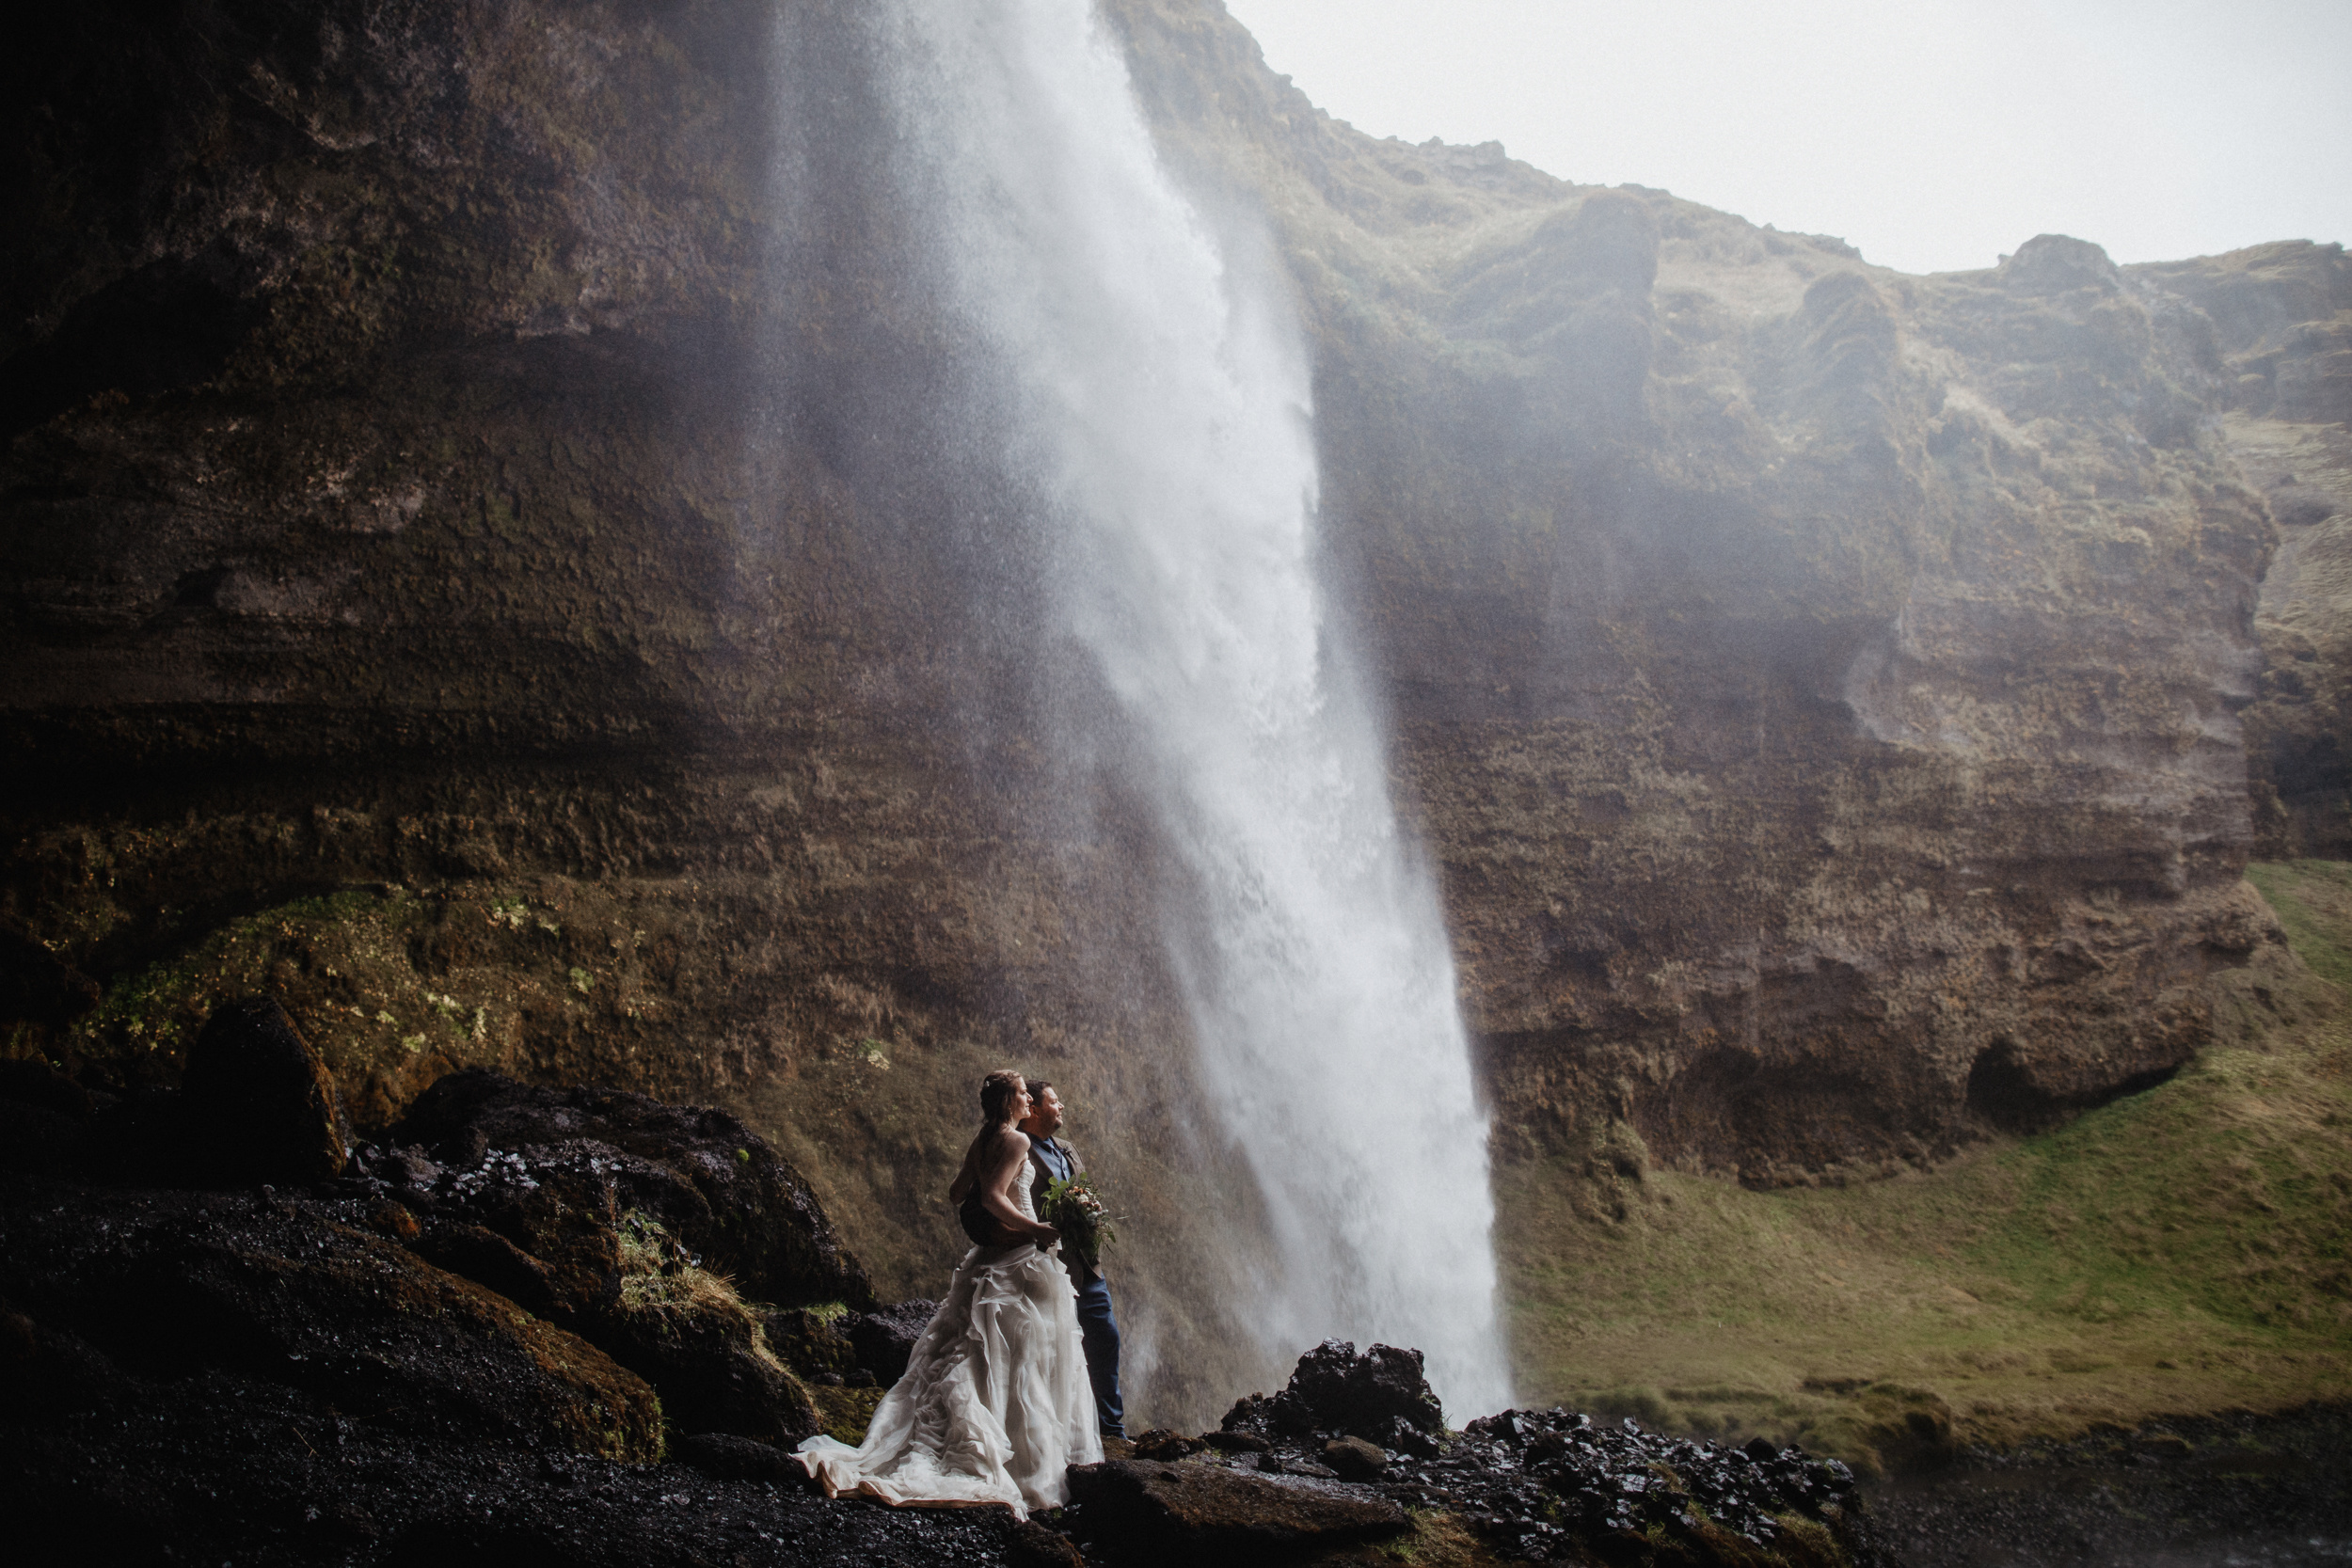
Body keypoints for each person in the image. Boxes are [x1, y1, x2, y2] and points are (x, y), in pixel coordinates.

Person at [792, 1071, 1102, 1518]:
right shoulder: (1017, 1142)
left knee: (978, 1349)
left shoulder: (984, 1138)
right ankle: (1027, 1458)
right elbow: (996, 1196)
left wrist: (986, 1200)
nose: (1028, 1101)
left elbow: (959, 1192)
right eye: (1021, 1094)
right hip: (1017, 1255)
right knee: (1021, 1354)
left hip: (988, 1254)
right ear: (1009, 1101)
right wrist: (1036, 1227)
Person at [1019, 1080, 1127, 1440]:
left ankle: (1112, 1429)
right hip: (1050, 1267)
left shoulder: (1067, 1149)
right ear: (1033, 1108)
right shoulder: (1019, 1149)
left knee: (1105, 1339)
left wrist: (1088, 1212)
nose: (1061, 1106)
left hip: (1088, 1264)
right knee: (1056, 1350)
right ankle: (1063, 1433)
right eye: (1054, 1101)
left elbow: (1082, 1190)